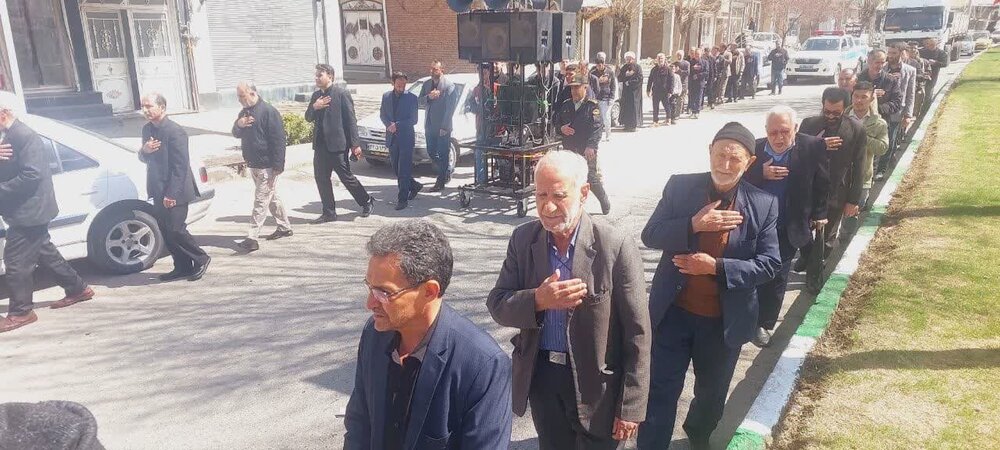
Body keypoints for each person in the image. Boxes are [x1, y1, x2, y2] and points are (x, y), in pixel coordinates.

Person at [488, 150, 651, 450]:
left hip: (597, 386)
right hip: (543, 378)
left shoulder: (614, 245)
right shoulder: (523, 240)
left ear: (584, 193)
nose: (548, 206)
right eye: (541, 195)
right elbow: (498, 304)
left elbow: (637, 332)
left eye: (559, 196)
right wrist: (538, 300)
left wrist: (631, 406)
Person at [638, 122, 781, 450]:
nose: (725, 165)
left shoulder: (763, 204)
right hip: (673, 313)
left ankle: (698, 433)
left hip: (723, 322)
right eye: (720, 155)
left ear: (750, 162)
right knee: (659, 390)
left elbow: (770, 264)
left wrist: (715, 267)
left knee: (711, 395)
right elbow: (651, 234)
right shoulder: (680, 187)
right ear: (709, 152)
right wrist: (694, 224)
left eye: (735, 158)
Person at [345, 219, 513, 449]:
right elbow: (359, 424)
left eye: (384, 292)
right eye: (370, 287)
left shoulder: (483, 366)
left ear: (429, 291)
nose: (370, 303)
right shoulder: (374, 334)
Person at [0, 94, 94, 333]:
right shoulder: (10, 135)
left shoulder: (24, 136)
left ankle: (21, 312)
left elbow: (32, 175)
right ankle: (78, 289)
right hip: (26, 209)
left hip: (29, 211)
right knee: (46, 252)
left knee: (16, 263)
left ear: (3, 113)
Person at [742, 106, 829, 347]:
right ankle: (745, 316)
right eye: (773, 133)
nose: (779, 138)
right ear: (766, 131)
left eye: (785, 131)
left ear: (796, 128)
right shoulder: (754, 150)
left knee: (777, 276)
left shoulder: (812, 146)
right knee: (750, 272)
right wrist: (761, 174)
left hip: (789, 224)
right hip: (755, 225)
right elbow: (735, 181)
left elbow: (822, 181)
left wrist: (820, 213)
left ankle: (763, 323)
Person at [795, 88, 867, 291]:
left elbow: (859, 166)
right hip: (808, 189)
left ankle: (814, 273)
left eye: (836, 113)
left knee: (826, 237)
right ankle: (807, 255)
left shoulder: (856, 129)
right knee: (802, 230)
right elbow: (797, 153)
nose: (831, 116)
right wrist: (818, 144)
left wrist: (853, 200)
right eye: (827, 111)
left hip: (836, 191)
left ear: (845, 108)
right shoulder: (809, 124)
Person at [138, 93, 211, 282]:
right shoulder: (147, 129)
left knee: (176, 229)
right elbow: (144, 157)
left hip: (176, 190)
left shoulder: (175, 131)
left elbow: (180, 166)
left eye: (149, 106)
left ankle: (201, 258)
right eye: (143, 106)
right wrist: (144, 151)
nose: (145, 110)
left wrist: (172, 194)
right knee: (166, 231)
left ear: (162, 107)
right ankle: (182, 266)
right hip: (157, 188)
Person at [305, 64, 375, 222]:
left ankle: (366, 201)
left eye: (320, 75)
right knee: (321, 178)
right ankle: (329, 212)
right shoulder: (316, 96)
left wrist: (355, 144)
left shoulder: (341, 94)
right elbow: (308, 117)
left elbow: (351, 120)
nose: (317, 78)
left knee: (346, 177)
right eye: (316, 75)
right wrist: (315, 107)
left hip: (337, 145)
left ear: (330, 76)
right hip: (320, 146)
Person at [232, 81, 292, 252]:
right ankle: (284, 227)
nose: (240, 100)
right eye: (238, 97)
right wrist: (239, 124)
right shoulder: (244, 112)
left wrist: (278, 166)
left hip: (268, 165)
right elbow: (236, 133)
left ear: (252, 93)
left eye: (242, 96)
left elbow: (279, 140)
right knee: (270, 197)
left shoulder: (268, 112)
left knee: (260, 200)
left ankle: (252, 237)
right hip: (253, 163)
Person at [556, 72, 611, 215]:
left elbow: (597, 127)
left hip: (585, 148)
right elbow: (557, 123)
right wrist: (561, 128)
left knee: (590, 178)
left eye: (577, 87)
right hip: (569, 148)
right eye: (572, 88)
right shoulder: (566, 105)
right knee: (570, 179)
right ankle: (573, 207)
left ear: (585, 87)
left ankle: (604, 201)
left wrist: (591, 146)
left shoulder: (592, 106)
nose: (574, 91)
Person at [381, 71, 423, 209]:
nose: (401, 87)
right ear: (393, 83)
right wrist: (389, 125)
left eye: (404, 85)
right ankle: (414, 186)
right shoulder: (386, 96)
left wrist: (397, 125)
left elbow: (414, 119)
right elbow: (383, 114)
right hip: (392, 138)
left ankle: (402, 199)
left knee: (404, 170)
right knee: (396, 169)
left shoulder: (411, 98)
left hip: (406, 138)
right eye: (399, 85)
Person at [845, 82, 889, 212]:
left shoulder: (879, 123)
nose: (859, 100)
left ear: (871, 99)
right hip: (839, 178)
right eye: (856, 96)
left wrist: (863, 137)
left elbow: (882, 148)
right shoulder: (840, 118)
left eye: (864, 97)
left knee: (852, 216)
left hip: (862, 179)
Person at [876, 43, 917, 180]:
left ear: (901, 53)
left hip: (897, 112)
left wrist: (908, 115)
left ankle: (881, 169)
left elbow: (910, 94)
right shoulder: (881, 68)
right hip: (881, 109)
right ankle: (878, 165)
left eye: (894, 53)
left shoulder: (910, 70)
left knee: (890, 140)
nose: (891, 56)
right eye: (889, 53)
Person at [418, 60, 460, 192]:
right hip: (429, 125)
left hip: (443, 127)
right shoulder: (426, 84)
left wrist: (445, 127)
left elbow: (450, 109)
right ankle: (447, 170)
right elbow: (419, 101)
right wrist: (429, 97)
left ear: (442, 70)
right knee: (431, 151)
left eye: (435, 69)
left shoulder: (449, 86)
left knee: (443, 153)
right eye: (431, 69)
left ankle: (440, 181)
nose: (432, 71)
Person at [857, 50, 903, 163]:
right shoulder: (858, 79)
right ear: (869, 61)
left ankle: (881, 170)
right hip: (860, 122)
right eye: (877, 62)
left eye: (883, 62)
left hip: (883, 122)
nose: (880, 66)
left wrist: (878, 108)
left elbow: (897, 102)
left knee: (882, 153)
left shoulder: (890, 80)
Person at [590, 54, 617, 141]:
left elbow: (613, 85)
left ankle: (608, 134)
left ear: (603, 64)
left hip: (606, 98)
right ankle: (599, 135)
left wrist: (612, 97)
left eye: (600, 64)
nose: (599, 66)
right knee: (597, 117)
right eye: (597, 65)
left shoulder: (609, 72)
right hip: (596, 98)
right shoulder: (593, 73)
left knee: (606, 117)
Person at [918, 38, 949, 112]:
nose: (930, 46)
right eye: (928, 44)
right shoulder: (922, 51)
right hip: (922, 74)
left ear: (936, 45)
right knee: (919, 92)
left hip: (933, 75)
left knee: (928, 93)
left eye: (932, 45)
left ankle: (925, 110)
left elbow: (945, 63)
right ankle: (918, 108)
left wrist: (935, 63)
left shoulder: (941, 53)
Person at [618, 52, 644, 132]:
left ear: (633, 59)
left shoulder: (637, 67)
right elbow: (619, 78)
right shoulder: (624, 67)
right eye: (627, 59)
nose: (628, 61)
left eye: (630, 59)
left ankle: (633, 125)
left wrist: (629, 82)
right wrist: (626, 75)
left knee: (634, 108)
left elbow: (640, 78)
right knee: (626, 108)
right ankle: (626, 125)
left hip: (635, 92)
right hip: (626, 92)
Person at [647, 53, 674, 126]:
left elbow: (671, 80)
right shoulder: (654, 69)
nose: (660, 60)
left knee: (666, 106)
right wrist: (648, 90)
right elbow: (650, 80)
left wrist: (670, 91)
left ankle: (668, 119)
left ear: (664, 59)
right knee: (655, 107)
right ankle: (655, 121)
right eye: (658, 58)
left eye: (661, 58)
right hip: (656, 91)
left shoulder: (668, 69)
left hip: (665, 91)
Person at [688, 48, 709, 119]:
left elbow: (706, 72)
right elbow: (688, 71)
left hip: (700, 82)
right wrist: (693, 68)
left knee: (699, 97)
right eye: (696, 54)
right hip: (692, 82)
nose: (697, 55)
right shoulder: (691, 62)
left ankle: (697, 111)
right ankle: (693, 111)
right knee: (692, 97)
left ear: (701, 54)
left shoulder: (705, 62)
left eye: (698, 54)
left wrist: (698, 75)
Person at [672, 51, 690, 118]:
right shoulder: (674, 64)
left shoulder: (686, 63)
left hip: (683, 83)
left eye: (680, 55)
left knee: (680, 99)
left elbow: (688, 73)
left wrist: (679, 71)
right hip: (675, 84)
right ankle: (676, 111)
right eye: (678, 55)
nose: (679, 57)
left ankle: (677, 114)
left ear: (683, 55)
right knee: (675, 100)